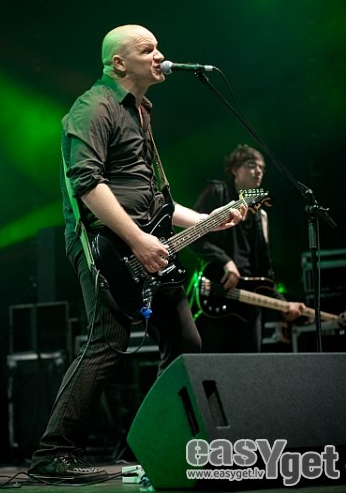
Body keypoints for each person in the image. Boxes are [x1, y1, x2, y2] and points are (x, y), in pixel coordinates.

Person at [28, 24, 245, 483]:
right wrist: (138, 241)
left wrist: (209, 219)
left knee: (185, 341)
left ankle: (159, 444)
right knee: (108, 342)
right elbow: (86, 184)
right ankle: (52, 453)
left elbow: (157, 200)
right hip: (107, 245)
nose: (160, 56)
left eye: (159, 47)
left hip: (147, 241)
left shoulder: (141, 111)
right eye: (148, 49)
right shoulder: (93, 107)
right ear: (119, 63)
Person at [190, 143, 305, 353]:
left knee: (249, 365)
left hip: (249, 306)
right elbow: (194, 237)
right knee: (213, 363)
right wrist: (226, 261)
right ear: (235, 169)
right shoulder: (217, 192)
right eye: (252, 165)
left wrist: (282, 303)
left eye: (262, 167)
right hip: (217, 294)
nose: (259, 171)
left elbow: (265, 269)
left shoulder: (261, 215)